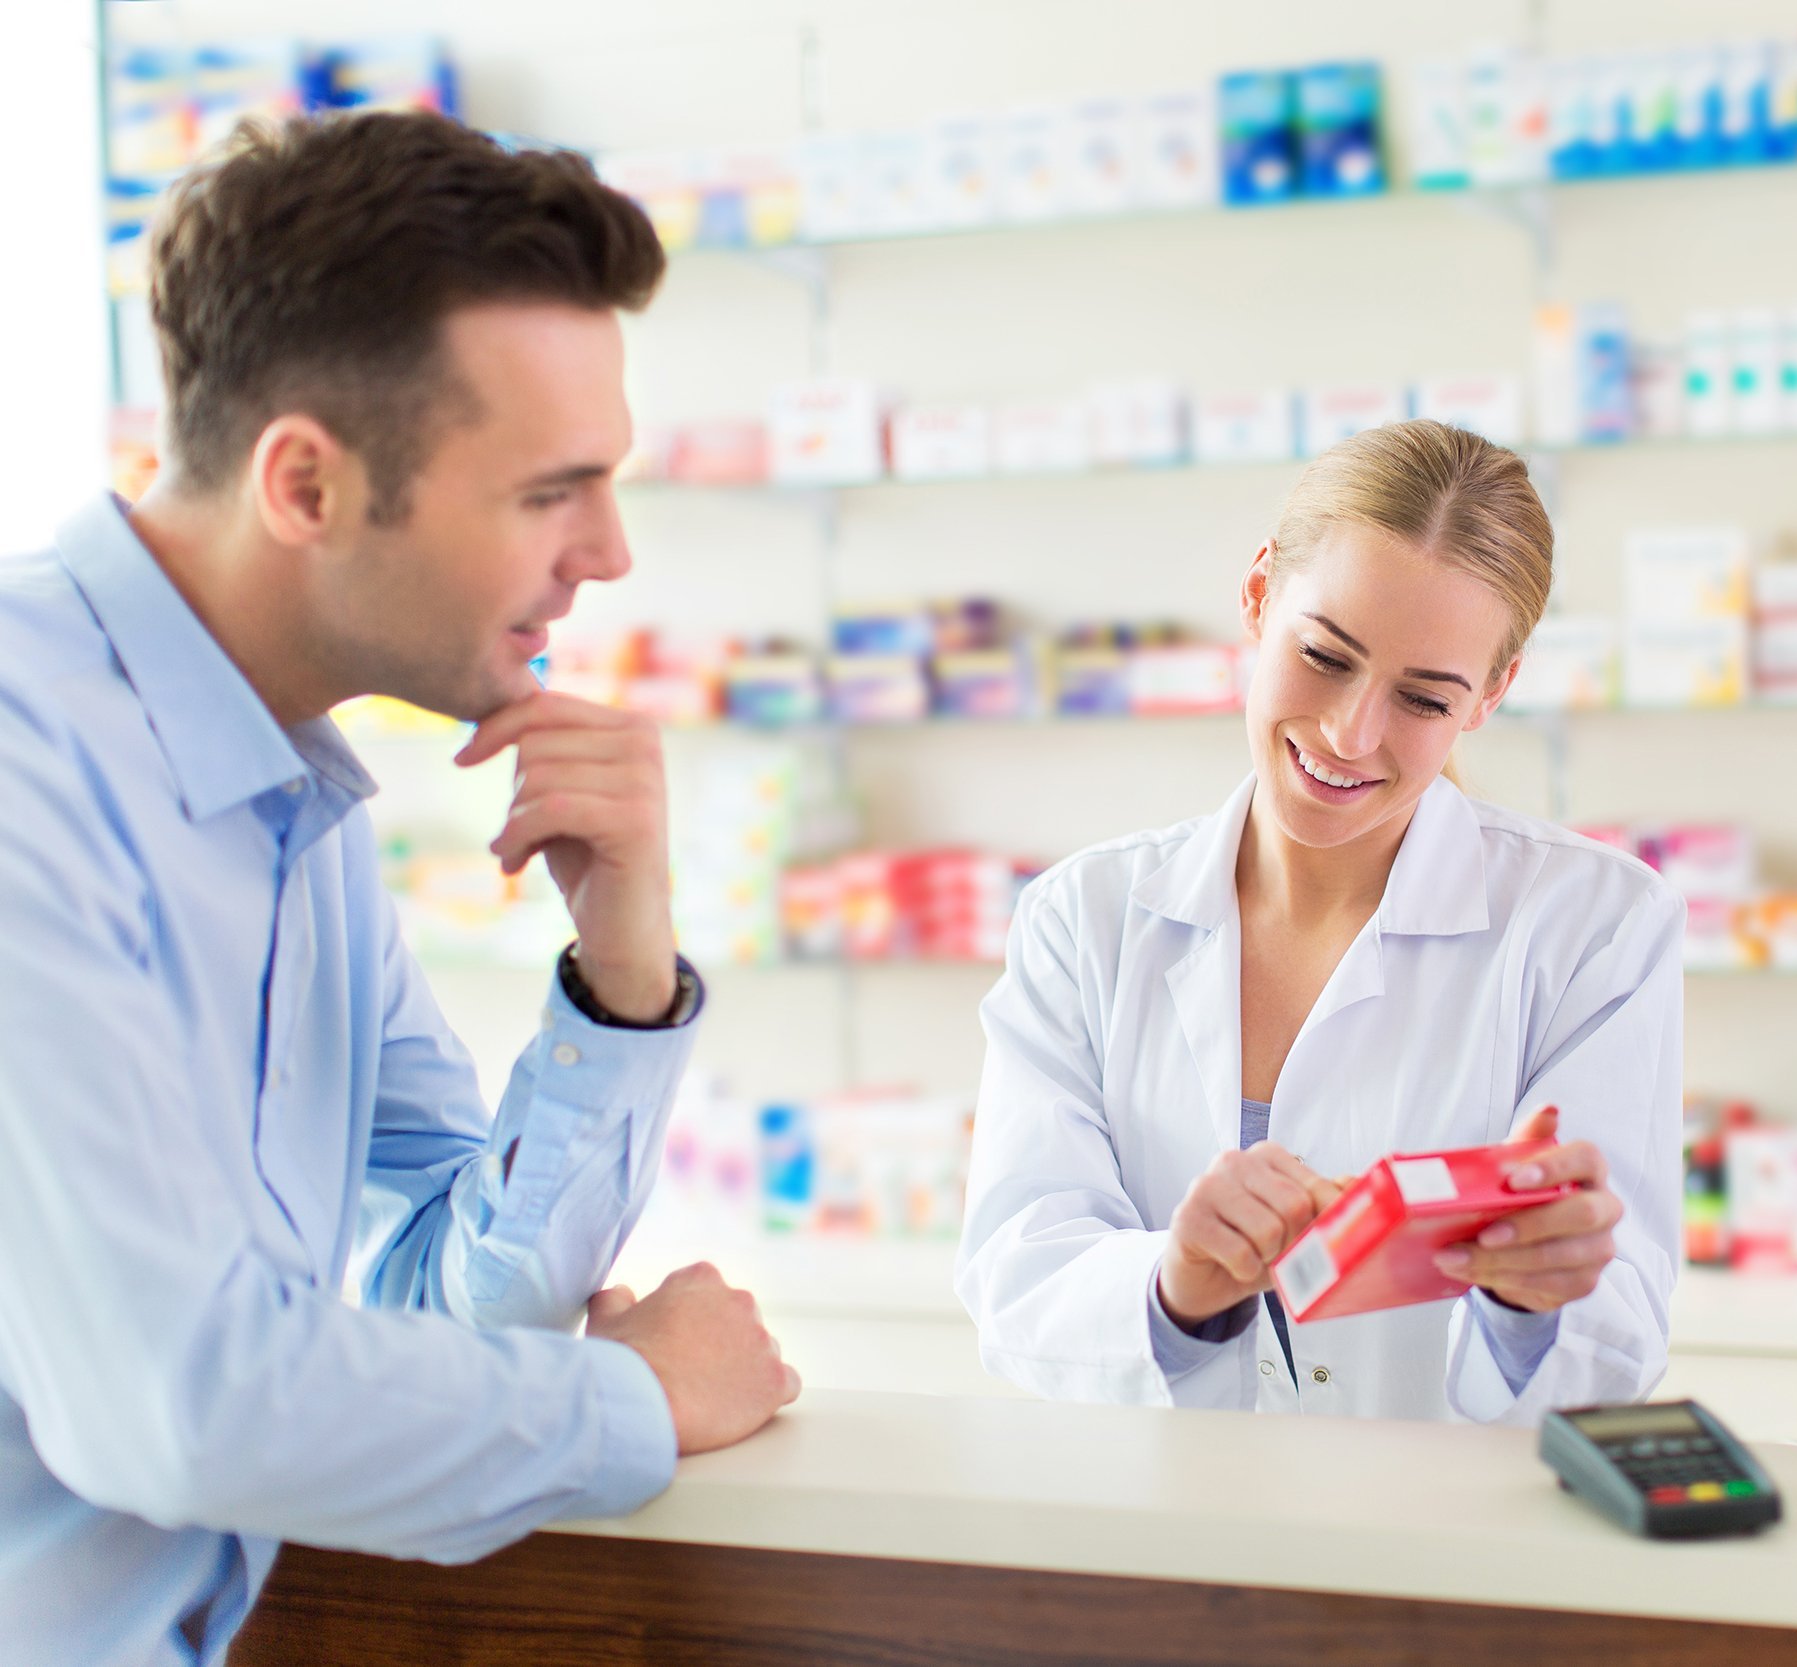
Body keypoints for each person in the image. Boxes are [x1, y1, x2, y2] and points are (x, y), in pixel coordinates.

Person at [0, 112, 799, 1666]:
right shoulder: (26, 775)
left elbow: (450, 1295)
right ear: (305, 481)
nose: (610, 552)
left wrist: (622, 971)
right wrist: (639, 1395)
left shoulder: (291, 795)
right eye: (549, 491)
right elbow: (181, 1406)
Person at [956, 420, 1680, 1423]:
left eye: (1424, 698)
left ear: (1492, 693)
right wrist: (1179, 1285)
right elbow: (1016, 1276)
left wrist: (1528, 1296)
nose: (1351, 734)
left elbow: (1617, 1330)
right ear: (1258, 596)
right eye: (1324, 656)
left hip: (1439, 1545)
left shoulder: (1592, 926)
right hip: (1151, 1541)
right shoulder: (1084, 918)